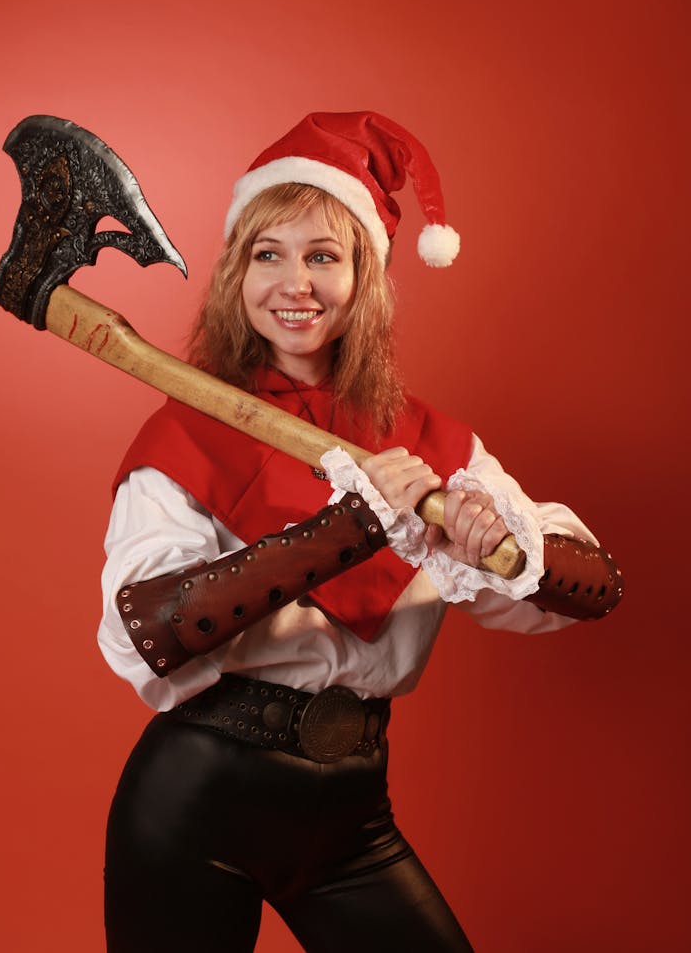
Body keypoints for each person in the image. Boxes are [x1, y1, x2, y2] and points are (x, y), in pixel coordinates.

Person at [98, 111, 622, 953]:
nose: (293, 282)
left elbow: (595, 587)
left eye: (323, 255)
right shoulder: (184, 436)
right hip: (194, 801)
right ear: (238, 273)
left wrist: (495, 545)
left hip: (350, 812)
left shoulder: (436, 447)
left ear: (366, 276)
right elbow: (148, 630)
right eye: (267, 253)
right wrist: (349, 528)